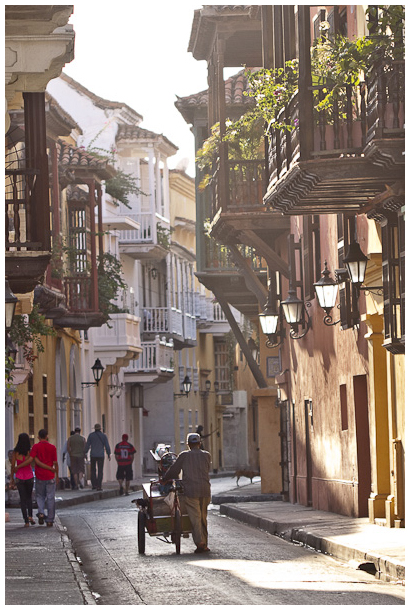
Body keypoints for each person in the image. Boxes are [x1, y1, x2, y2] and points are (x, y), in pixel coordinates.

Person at [162, 432, 211, 554]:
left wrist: (164, 478)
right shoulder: (207, 455)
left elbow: (174, 470)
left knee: (195, 517)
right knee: (203, 517)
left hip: (190, 490)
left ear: (188, 444)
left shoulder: (184, 455)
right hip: (205, 490)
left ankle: (200, 543)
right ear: (200, 443)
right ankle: (204, 543)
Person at [30, 429, 59, 527]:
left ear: (38, 437)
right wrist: (57, 475)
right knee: (50, 498)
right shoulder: (52, 447)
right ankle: (50, 520)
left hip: (39, 475)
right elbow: (55, 463)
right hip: (50, 476)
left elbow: (32, 459)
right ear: (47, 436)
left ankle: (41, 512)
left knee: (40, 496)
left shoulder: (35, 447)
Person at [85, 424, 111, 491]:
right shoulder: (103, 436)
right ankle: (99, 485)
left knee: (93, 470)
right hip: (101, 455)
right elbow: (107, 446)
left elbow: (87, 445)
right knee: (100, 470)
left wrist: (85, 452)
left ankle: (94, 485)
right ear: (100, 429)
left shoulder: (91, 435)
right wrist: (108, 454)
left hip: (93, 455)